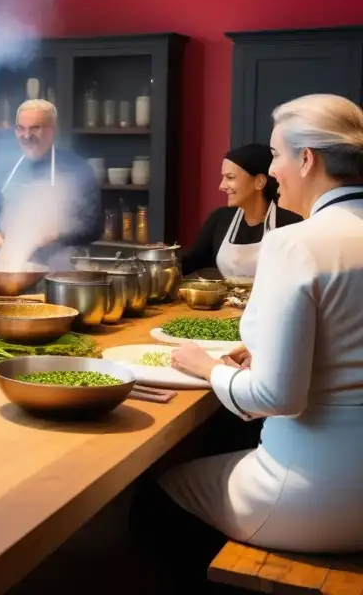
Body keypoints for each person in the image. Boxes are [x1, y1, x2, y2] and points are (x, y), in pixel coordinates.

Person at [139, 94, 363, 591]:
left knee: (153, 494)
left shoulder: (297, 242)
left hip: (321, 494)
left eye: (279, 156)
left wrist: (206, 367)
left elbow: (277, 398)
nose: (275, 169)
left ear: (308, 160)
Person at [0, 99, 101, 271]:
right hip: (13, 269)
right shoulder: (5, 169)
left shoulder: (78, 169)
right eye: (20, 128)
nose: (26, 135)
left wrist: (54, 235)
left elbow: (93, 226)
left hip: (59, 271)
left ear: (53, 131)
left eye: (35, 128)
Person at [181, 143, 301, 278]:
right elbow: (190, 261)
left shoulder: (292, 225)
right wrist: (160, 260)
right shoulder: (220, 219)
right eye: (223, 178)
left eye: (230, 177)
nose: (222, 186)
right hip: (227, 300)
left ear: (260, 182)